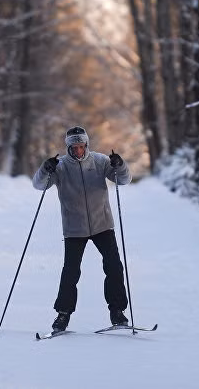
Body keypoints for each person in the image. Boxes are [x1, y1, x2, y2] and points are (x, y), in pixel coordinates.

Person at [31, 125, 132, 333]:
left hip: (102, 224)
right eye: (74, 147)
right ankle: (63, 315)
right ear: (68, 147)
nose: (78, 150)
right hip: (74, 228)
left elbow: (124, 180)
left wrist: (119, 165)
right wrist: (45, 168)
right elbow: (39, 185)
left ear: (87, 144)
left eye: (81, 146)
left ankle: (117, 312)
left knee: (114, 267)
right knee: (71, 272)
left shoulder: (101, 161)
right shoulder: (60, 167)